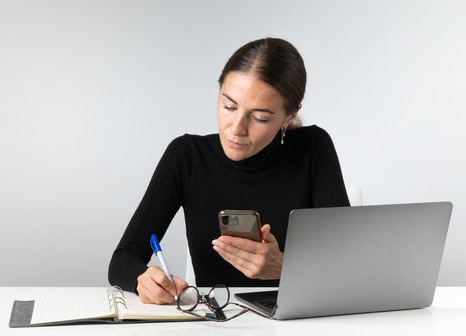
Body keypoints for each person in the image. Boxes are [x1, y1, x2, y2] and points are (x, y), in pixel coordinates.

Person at [108, 38, 350, 305]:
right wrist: (141, 279)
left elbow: (348, 266)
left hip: (298, 326)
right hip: (216, 326)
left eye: (259, 117)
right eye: (229, 106)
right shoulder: (186, 155)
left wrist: (283, 267)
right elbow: (122, 259)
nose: (236, 128)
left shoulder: (313, 147)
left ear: (289, 116)